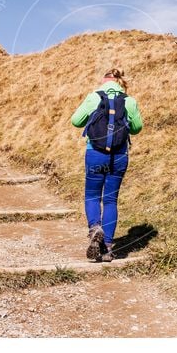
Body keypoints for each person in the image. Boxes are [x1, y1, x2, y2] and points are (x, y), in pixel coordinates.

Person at [71, 68, 143, 262]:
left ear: (103, 81)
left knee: (92, 195)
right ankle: (108, 249)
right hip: (119, 156)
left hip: (95, 154)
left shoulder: (93, 97)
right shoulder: (129, 100)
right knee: (110, 200)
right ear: (120, 82)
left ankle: (95, 228)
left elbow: (76, 121)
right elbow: (137, 128)